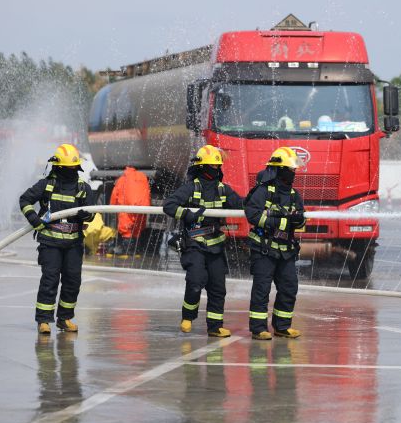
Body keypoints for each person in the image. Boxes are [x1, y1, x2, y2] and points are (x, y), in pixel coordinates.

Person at [163, 145, 242, 337]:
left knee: (218, 287)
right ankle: (188, 316)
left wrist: (258, 199)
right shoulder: (191, 188)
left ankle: (215, 327)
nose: (216, 169)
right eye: (212, 166)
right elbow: (169, 205)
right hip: (194, 243)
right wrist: (186, 214)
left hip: (216, 245)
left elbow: (241, 204)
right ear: (201, 167)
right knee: (195, 281)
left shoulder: (223, 189)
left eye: (218, 166)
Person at [19, 143, 94, 334]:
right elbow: (25, 200)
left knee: (72, 281)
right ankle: (44, 321)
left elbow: (92, 213)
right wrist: (35, 220)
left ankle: (65, 318)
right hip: (50, 242)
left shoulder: (83, 188)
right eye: (68, 168)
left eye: (73, 168)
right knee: (50, 280)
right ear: (58, 167)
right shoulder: (46, 185)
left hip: (74, 243)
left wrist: (87, 215)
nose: (71, 171)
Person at [245, 147, 306, 340]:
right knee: (262, 289)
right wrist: (280, 222)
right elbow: (252, 214)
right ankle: (258, 329)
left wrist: (299, 221)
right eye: (291, 169)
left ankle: (282, 326)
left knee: (289, 287)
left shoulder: (294, 195)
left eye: (294, 169)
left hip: (286, 250)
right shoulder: (263, 191)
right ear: (279, 169)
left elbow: (301, 220)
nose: (293, 173)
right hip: (264, 248)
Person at [110, 166, 151, 256]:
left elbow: (114, 195)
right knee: (137, 229)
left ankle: (127, 250)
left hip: (126, 209)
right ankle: (136, 250)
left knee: (126, 229)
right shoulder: (142, 177)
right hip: (141, 208)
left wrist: (112, 206)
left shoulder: (122, 179)